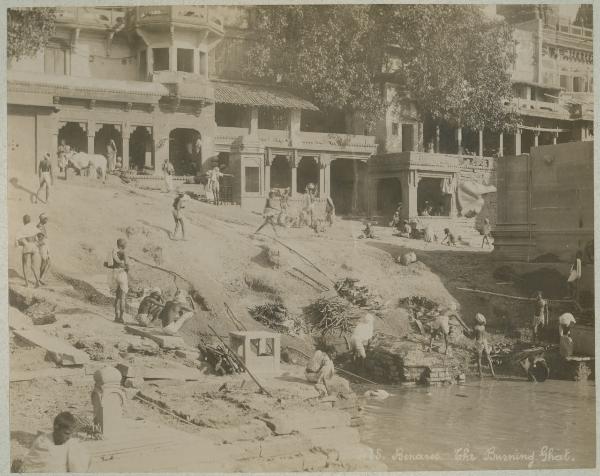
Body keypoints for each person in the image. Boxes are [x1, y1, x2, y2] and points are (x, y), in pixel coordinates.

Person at [19, 411, 90, 472]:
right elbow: (31, 466)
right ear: (56, 428)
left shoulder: (72, 444)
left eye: (71, 434)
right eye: (66, 433)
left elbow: (78, 468)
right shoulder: (42, 442)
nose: (69, 437)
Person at [16, 215, 41, 288]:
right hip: (34, 246)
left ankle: (27, 284)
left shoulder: (22, 228)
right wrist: (36, 243)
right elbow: (40, 236)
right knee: (34, 266)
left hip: (27, 246)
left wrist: (24, 243)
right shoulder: (34, 227)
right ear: (29, 220)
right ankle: (37, 282)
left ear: (24, 221)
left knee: (25, 265)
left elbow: (18, 240)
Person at [110, 238, 129, 323]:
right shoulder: (123, 253)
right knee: (123, 298)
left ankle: (116, 317)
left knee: (117, 297)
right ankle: (121, 318)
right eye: (125, 244)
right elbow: (127, 266)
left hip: (114, 274)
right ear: (123, 245)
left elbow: (109, 264)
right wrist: (126, 268)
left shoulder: (113, 252)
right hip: (121, 274)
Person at [473, 313, 495, 378]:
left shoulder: (476, 327)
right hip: (485, 342)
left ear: (476, 320)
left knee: (479, 359)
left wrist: (465, 333)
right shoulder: (483, 327)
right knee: (488, 357)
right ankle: (493, 373)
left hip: (479, 342)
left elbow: (472, 337)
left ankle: (480, 374)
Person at [37, 213, 50, 285]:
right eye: (46, 218)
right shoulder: (39, 226)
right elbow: (40, 237)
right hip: (43, 246)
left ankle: (41, 278)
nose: (47, 220)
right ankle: (40, 278)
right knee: (45, 261)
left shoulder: (42, 226)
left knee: (47, 262)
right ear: (42, 219)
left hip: (45, 245)